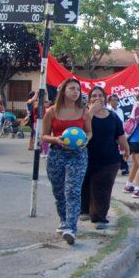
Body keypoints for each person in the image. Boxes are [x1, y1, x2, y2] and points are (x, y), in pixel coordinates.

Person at [41, 78, 92, 245]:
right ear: (63, 91)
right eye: (71, 88)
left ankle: (71, 228)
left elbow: (89, 132)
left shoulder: (84, 111)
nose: (75, 92)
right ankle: (63, 220)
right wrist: (56, 139)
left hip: (78, 154)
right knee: (59, 191)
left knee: (73, 190)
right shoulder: (52, 111)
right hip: (57, 154)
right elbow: (44, 136)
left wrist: (86, 140)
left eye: (77, 89)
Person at [80, 86, 129, 229]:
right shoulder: (84, 114)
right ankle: (85, 209)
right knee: (86, 185)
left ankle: (99, 217)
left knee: (103, 188)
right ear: (89, 99)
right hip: (86, 157)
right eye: (94, 96)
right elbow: (81, 130)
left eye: (100, 95)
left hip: (109, 159)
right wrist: (91, 112)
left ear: (105, 98)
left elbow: (120, 135)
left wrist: (126, 149)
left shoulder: (113, 116)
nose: (97, 98)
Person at [107, 94, 130, 175]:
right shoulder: (107, 110)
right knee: (113, 151)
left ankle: (124, 167)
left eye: (116, 100)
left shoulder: (120, 110)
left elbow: (122, 122)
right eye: (113, 100)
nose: (115, 102)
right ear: (109, 101)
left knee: (122, 150)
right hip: (110, 134)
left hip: (119, 133)